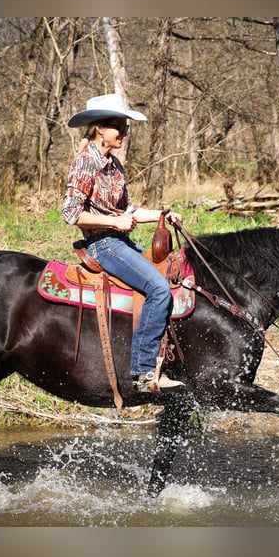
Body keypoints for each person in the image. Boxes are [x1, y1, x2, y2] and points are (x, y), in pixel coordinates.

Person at [61, 94, 185, 392]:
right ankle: (143, 372)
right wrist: (112, 223)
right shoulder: (84, 163)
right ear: (99, 128)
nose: (124, 133)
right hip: (102, 245)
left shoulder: (115, 165)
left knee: (170, 272)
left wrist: (162, 215)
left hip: (119, 240)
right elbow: (70, 213)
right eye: (119, 127)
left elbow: (127, 210)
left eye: (126, 127)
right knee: (157, 288)